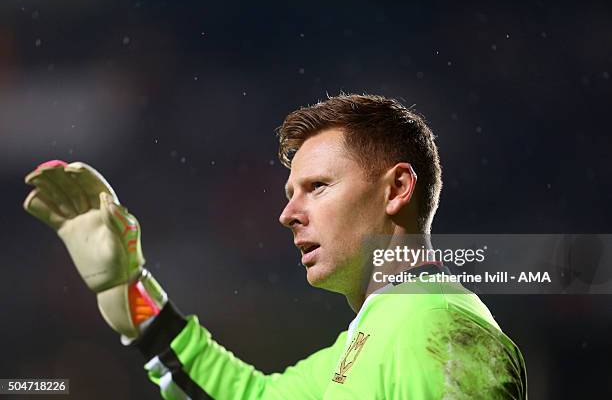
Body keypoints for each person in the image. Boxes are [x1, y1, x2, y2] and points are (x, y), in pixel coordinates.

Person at [23, 94, 527, 399]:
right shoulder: (373, 334)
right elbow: (247, 396)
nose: (288, 214)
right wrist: (130, 293)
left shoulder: (443, 338)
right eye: (291, 193)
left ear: (397, 189)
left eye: (319, 187)